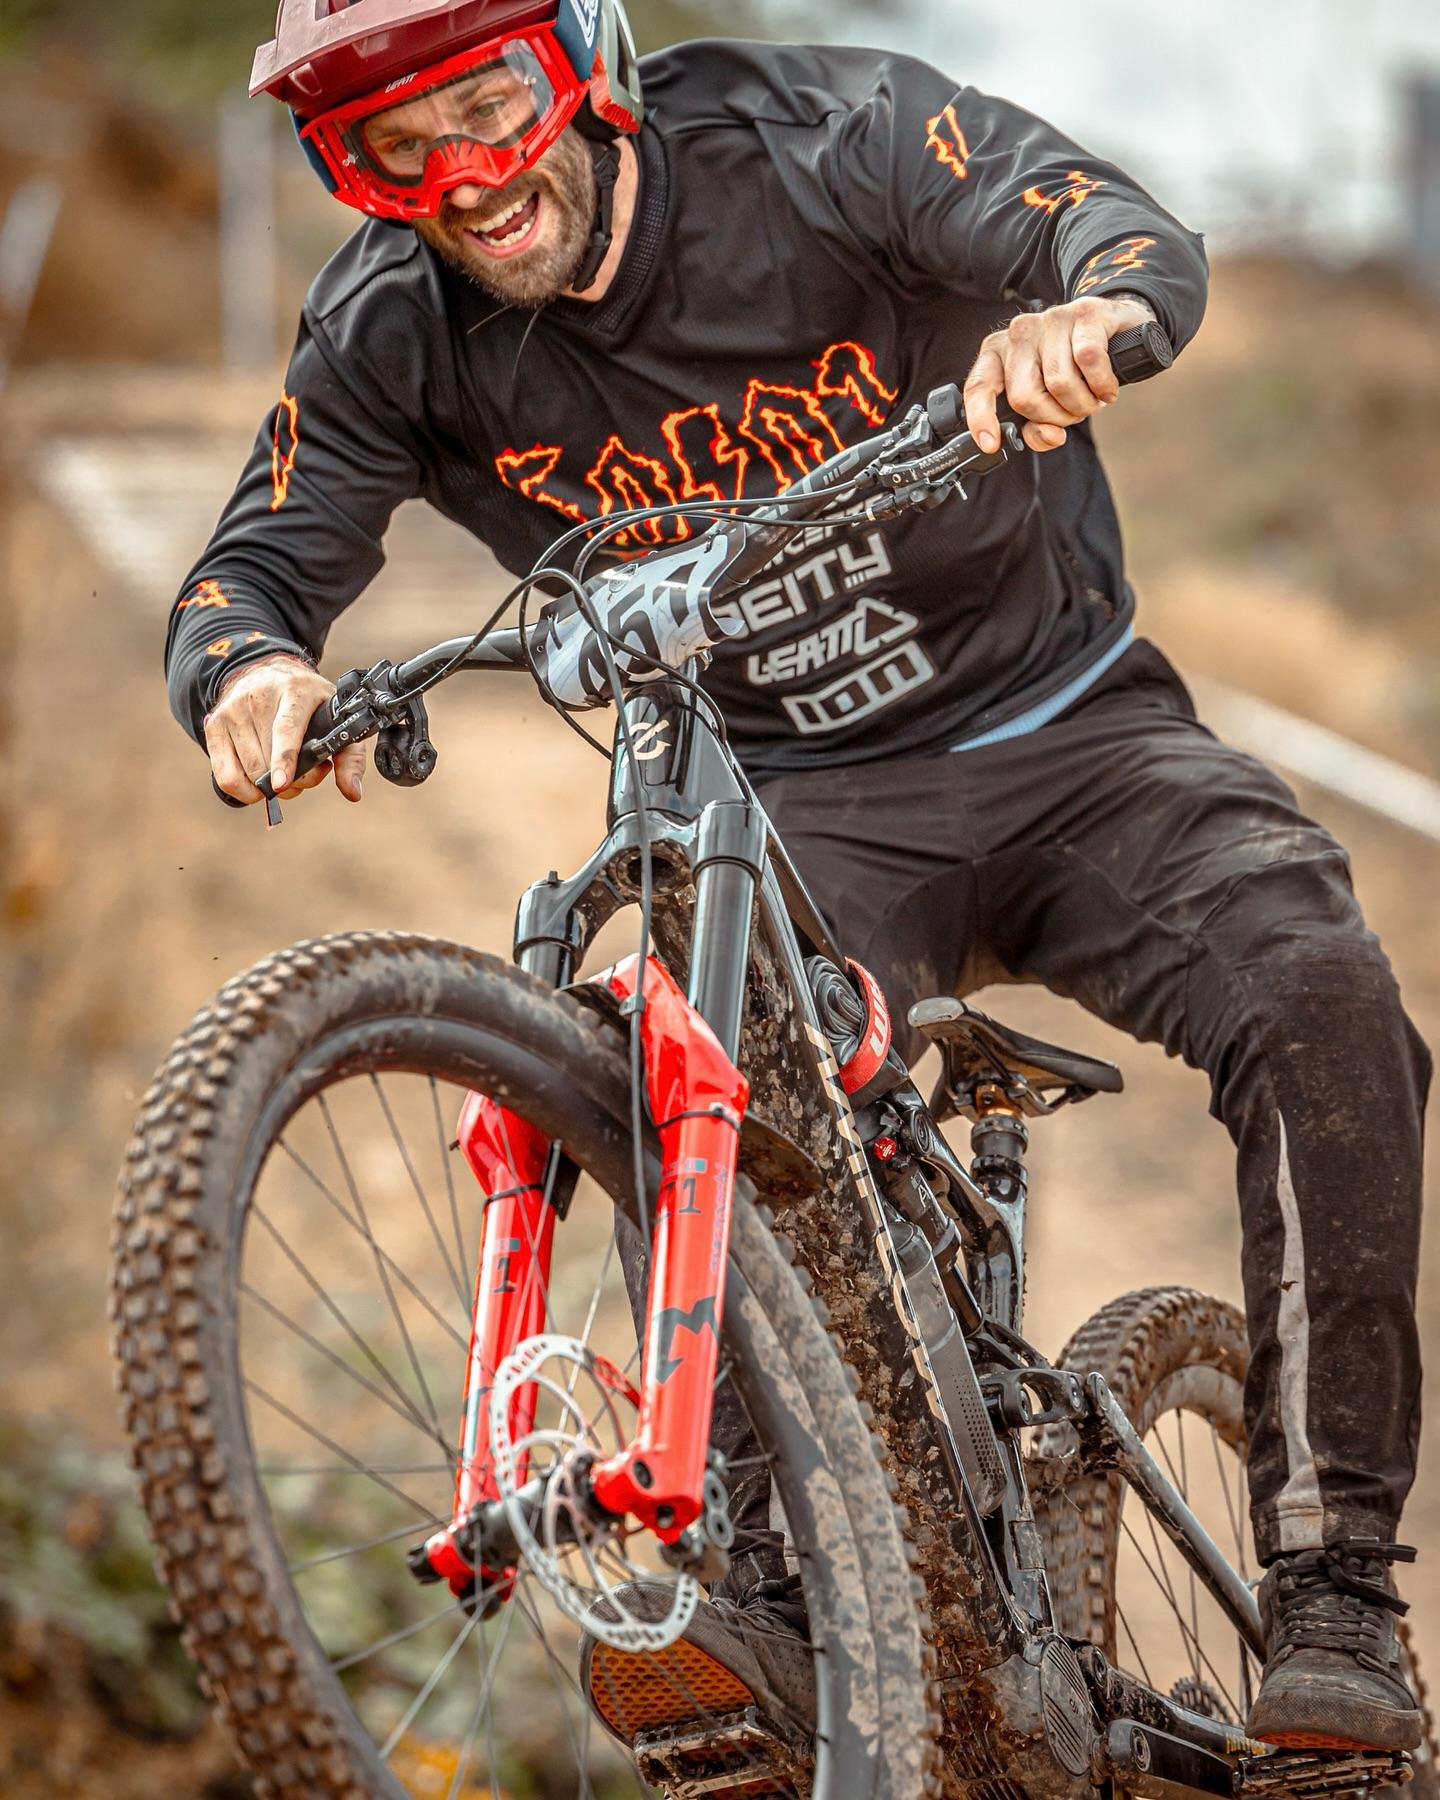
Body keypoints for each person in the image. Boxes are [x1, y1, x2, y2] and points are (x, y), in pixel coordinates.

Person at [170, 0, 1427, 1759]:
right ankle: (780, 1600)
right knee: (716, 1075)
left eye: (492, 103)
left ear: (587, 59)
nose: (463, 176)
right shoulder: (394, 328)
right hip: (798, 810)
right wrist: (251, 677)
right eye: (391, 147)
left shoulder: (814, 134)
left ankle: (1333, 1587)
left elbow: (1116, 225)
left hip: (1071, 730)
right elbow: (248, 573)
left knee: (1321, 993)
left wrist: (1088, 311)